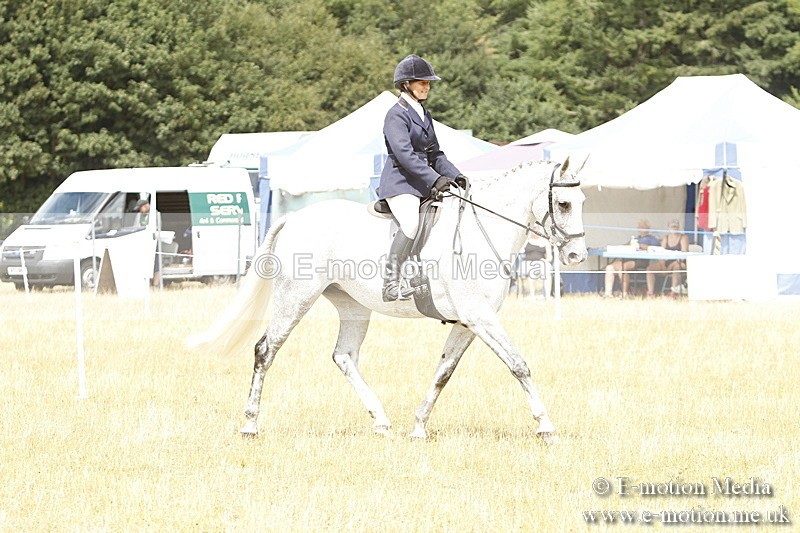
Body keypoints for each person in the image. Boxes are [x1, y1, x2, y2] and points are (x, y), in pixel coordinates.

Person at [377, 54, 467, 302]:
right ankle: (391, 283)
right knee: (410, 223)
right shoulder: (396, 114)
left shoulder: (423, 113)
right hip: (401, 182)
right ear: (406, 84)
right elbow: (405, 155)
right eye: (422, 82)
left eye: (428, 83)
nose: (427, 87)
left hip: (423, 182)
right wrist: (435, 179)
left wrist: (455, 175)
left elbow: (435, 153)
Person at [603, 220, 660, 298]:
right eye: (639, 227)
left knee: (622, 268)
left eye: (643, 227)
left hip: (640, 261)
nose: (641, 228)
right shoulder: (636, 239)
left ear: (648, 228)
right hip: (627, 259)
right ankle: (608, 293)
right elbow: (625, 246)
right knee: (609, 267)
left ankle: (624, 293)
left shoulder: (652, 239)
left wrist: (641, 246)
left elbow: (656, 248)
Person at [646, 218, 689, 296]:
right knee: (649, 269)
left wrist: (671, 265)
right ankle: (650, 292)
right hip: (667, 262)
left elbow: (684, 253)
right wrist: (662, 264)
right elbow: (661, 252)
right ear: (668, 228)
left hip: (679, 261)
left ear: (678, 227)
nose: (674, 228)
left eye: (675, 227)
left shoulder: (683, 237)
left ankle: (674, 291)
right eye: (672, 227)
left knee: (676, 268)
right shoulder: (666, 238)